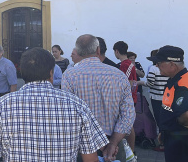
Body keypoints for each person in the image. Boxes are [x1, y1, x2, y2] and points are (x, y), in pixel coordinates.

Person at [0, 47, 109, 162]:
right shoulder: (77, 105)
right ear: (51, 73)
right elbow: (91, 158)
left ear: (23, 73)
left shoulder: (1, 105)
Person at [63, 34, 135, 162]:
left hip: (83, 147)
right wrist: (112, 143)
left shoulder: (69, 75)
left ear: (78, 51)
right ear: (98, 50)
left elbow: (69, 114)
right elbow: (128, 115)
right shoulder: (118, 75)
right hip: (113, 146)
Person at [148, 45, 188, 162]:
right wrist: (165, 131)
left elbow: (187, 117)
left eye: (159, 62)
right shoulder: (175, 80)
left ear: (172, 64)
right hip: (174, 137)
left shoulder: (182, 84)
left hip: (181, 141)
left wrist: (171, 128)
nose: (156, 65)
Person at [137, 49, 169, 151]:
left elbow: (150, 83)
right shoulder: (169, 69)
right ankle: (169, 143)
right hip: (168, 98)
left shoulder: (153, 69)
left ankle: (162, 144)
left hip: (156, 98)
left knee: (160, 121)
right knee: (168, 120)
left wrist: (140, 83)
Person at [113, 41, 137, 153]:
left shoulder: (125, 64)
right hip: (131, 97)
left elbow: (128, 83)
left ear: (117, 51)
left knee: (129, 126)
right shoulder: (128, 63)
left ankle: (131, 151)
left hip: (128, 98)